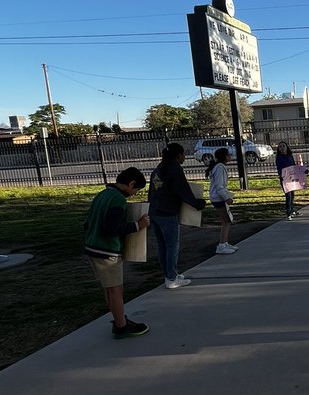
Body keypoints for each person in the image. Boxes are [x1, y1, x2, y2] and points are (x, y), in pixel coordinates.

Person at [83, 167, 151, 339]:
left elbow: (87, 223)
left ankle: (119, 318)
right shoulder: (118, 200)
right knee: (115, 290)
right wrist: (138, 225)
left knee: (110, 288)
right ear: (131, 184)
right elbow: (112, 228)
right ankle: (121, 326)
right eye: (136, 190)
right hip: (106, 251)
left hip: (92, 247)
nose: (134, 194)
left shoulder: (102, 195)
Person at [148, 143, 206, 289]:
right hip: (167, 213)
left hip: (154, 211)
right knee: (172, 245)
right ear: (178, 155)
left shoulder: (159, 169)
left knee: (162, 246)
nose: (184, 157)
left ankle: (169, 274)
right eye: (183, 154)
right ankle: (172, 279)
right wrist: (197, 203)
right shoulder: (174, 169)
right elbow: (182, 190)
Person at [206, 147, 238, 255]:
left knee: (226, 221)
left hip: (217, 197)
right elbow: (219, 186)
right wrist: (226, 198)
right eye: (229, 154)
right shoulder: (220, 168)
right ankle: (222, 245)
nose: (230, 156)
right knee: (226, 221)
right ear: (225, 156)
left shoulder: (219, 167)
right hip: (218, 198)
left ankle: (224, 243)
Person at [276, 141, 298, 218]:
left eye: (283, 146)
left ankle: (292, 209)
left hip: (291, 178)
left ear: (286, 147)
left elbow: (294, 166)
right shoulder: (279, 158)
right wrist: (282, 176)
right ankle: (288, 212)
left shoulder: (290, 156)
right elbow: (279, 169)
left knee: (292, 195)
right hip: (284, 178)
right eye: (280, 147)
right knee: (288, 195)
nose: (282, 148)